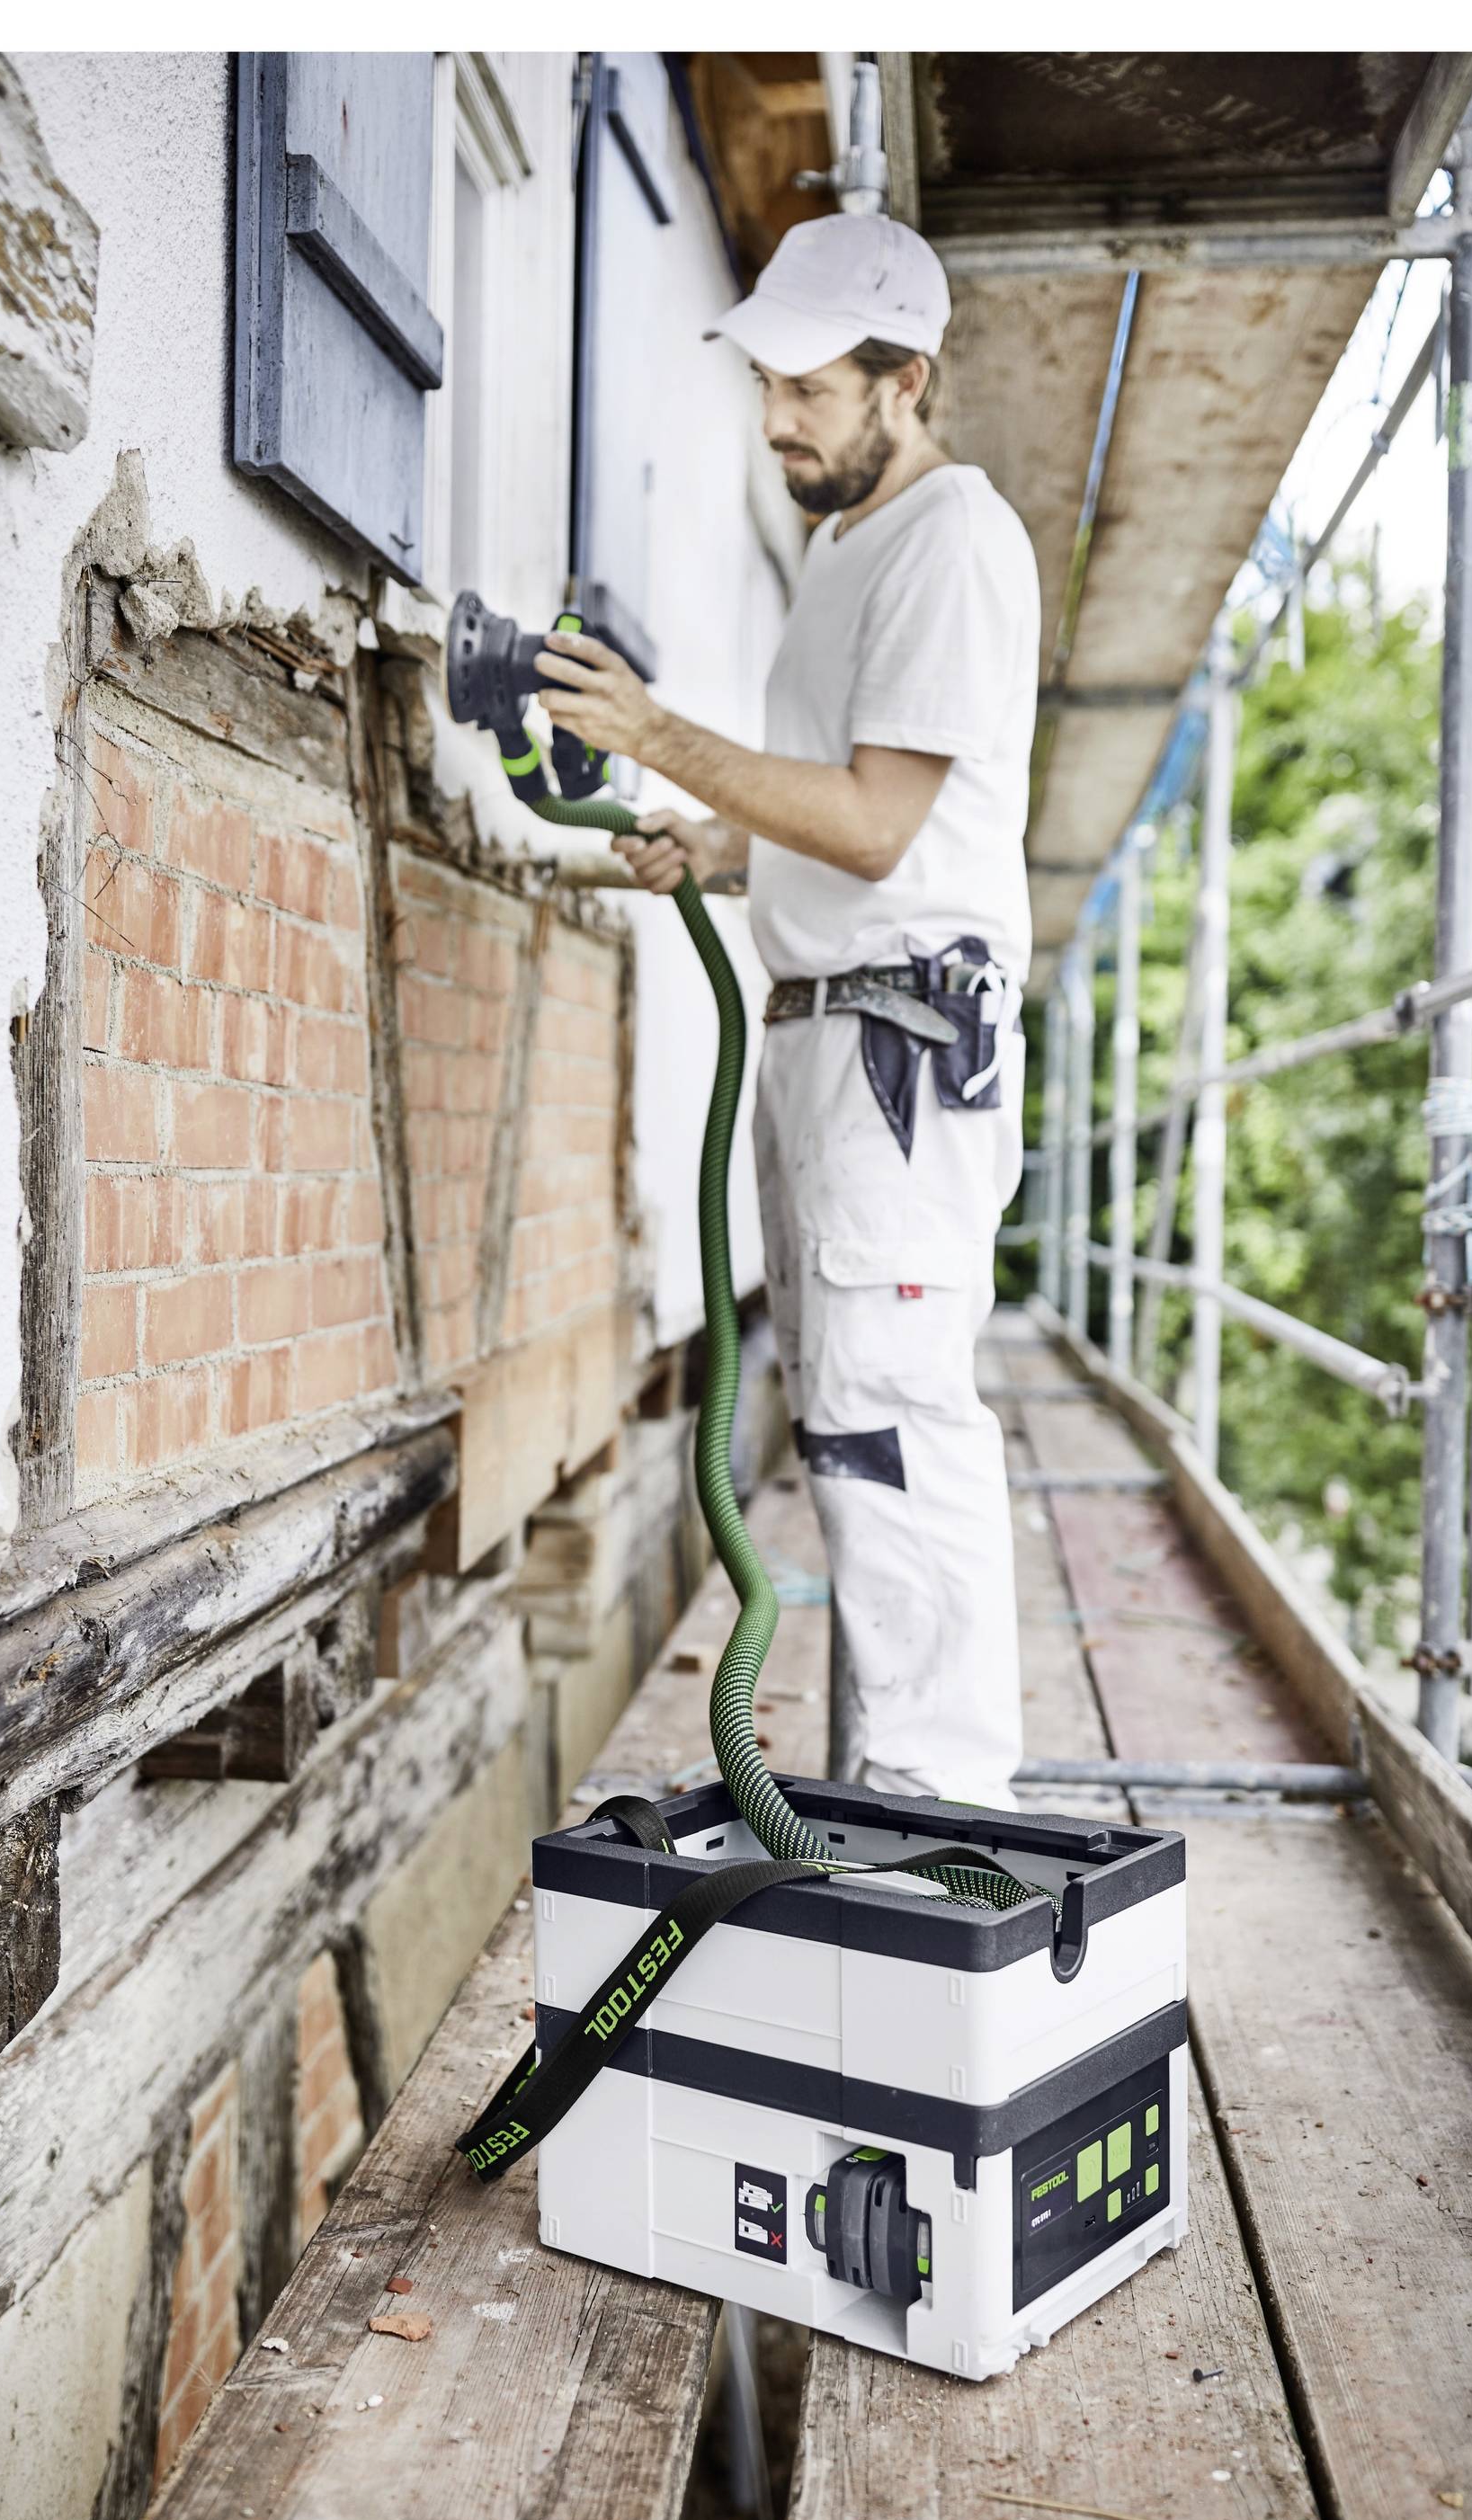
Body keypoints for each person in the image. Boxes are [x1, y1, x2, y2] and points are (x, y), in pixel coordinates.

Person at [533, 213, 1039, 1810]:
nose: (777, 421)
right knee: (844, 1433)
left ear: (909, 378)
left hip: (897, 1043)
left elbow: (886, 829)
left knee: (894, 1422)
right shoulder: (844, 553)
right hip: (830, 1030)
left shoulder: (953, 535)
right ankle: (887, 1787)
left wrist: (660, 736)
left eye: (811, 389)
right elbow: (848, 813)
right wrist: (721, 847)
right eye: (767, 386)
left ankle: (947, 1819)